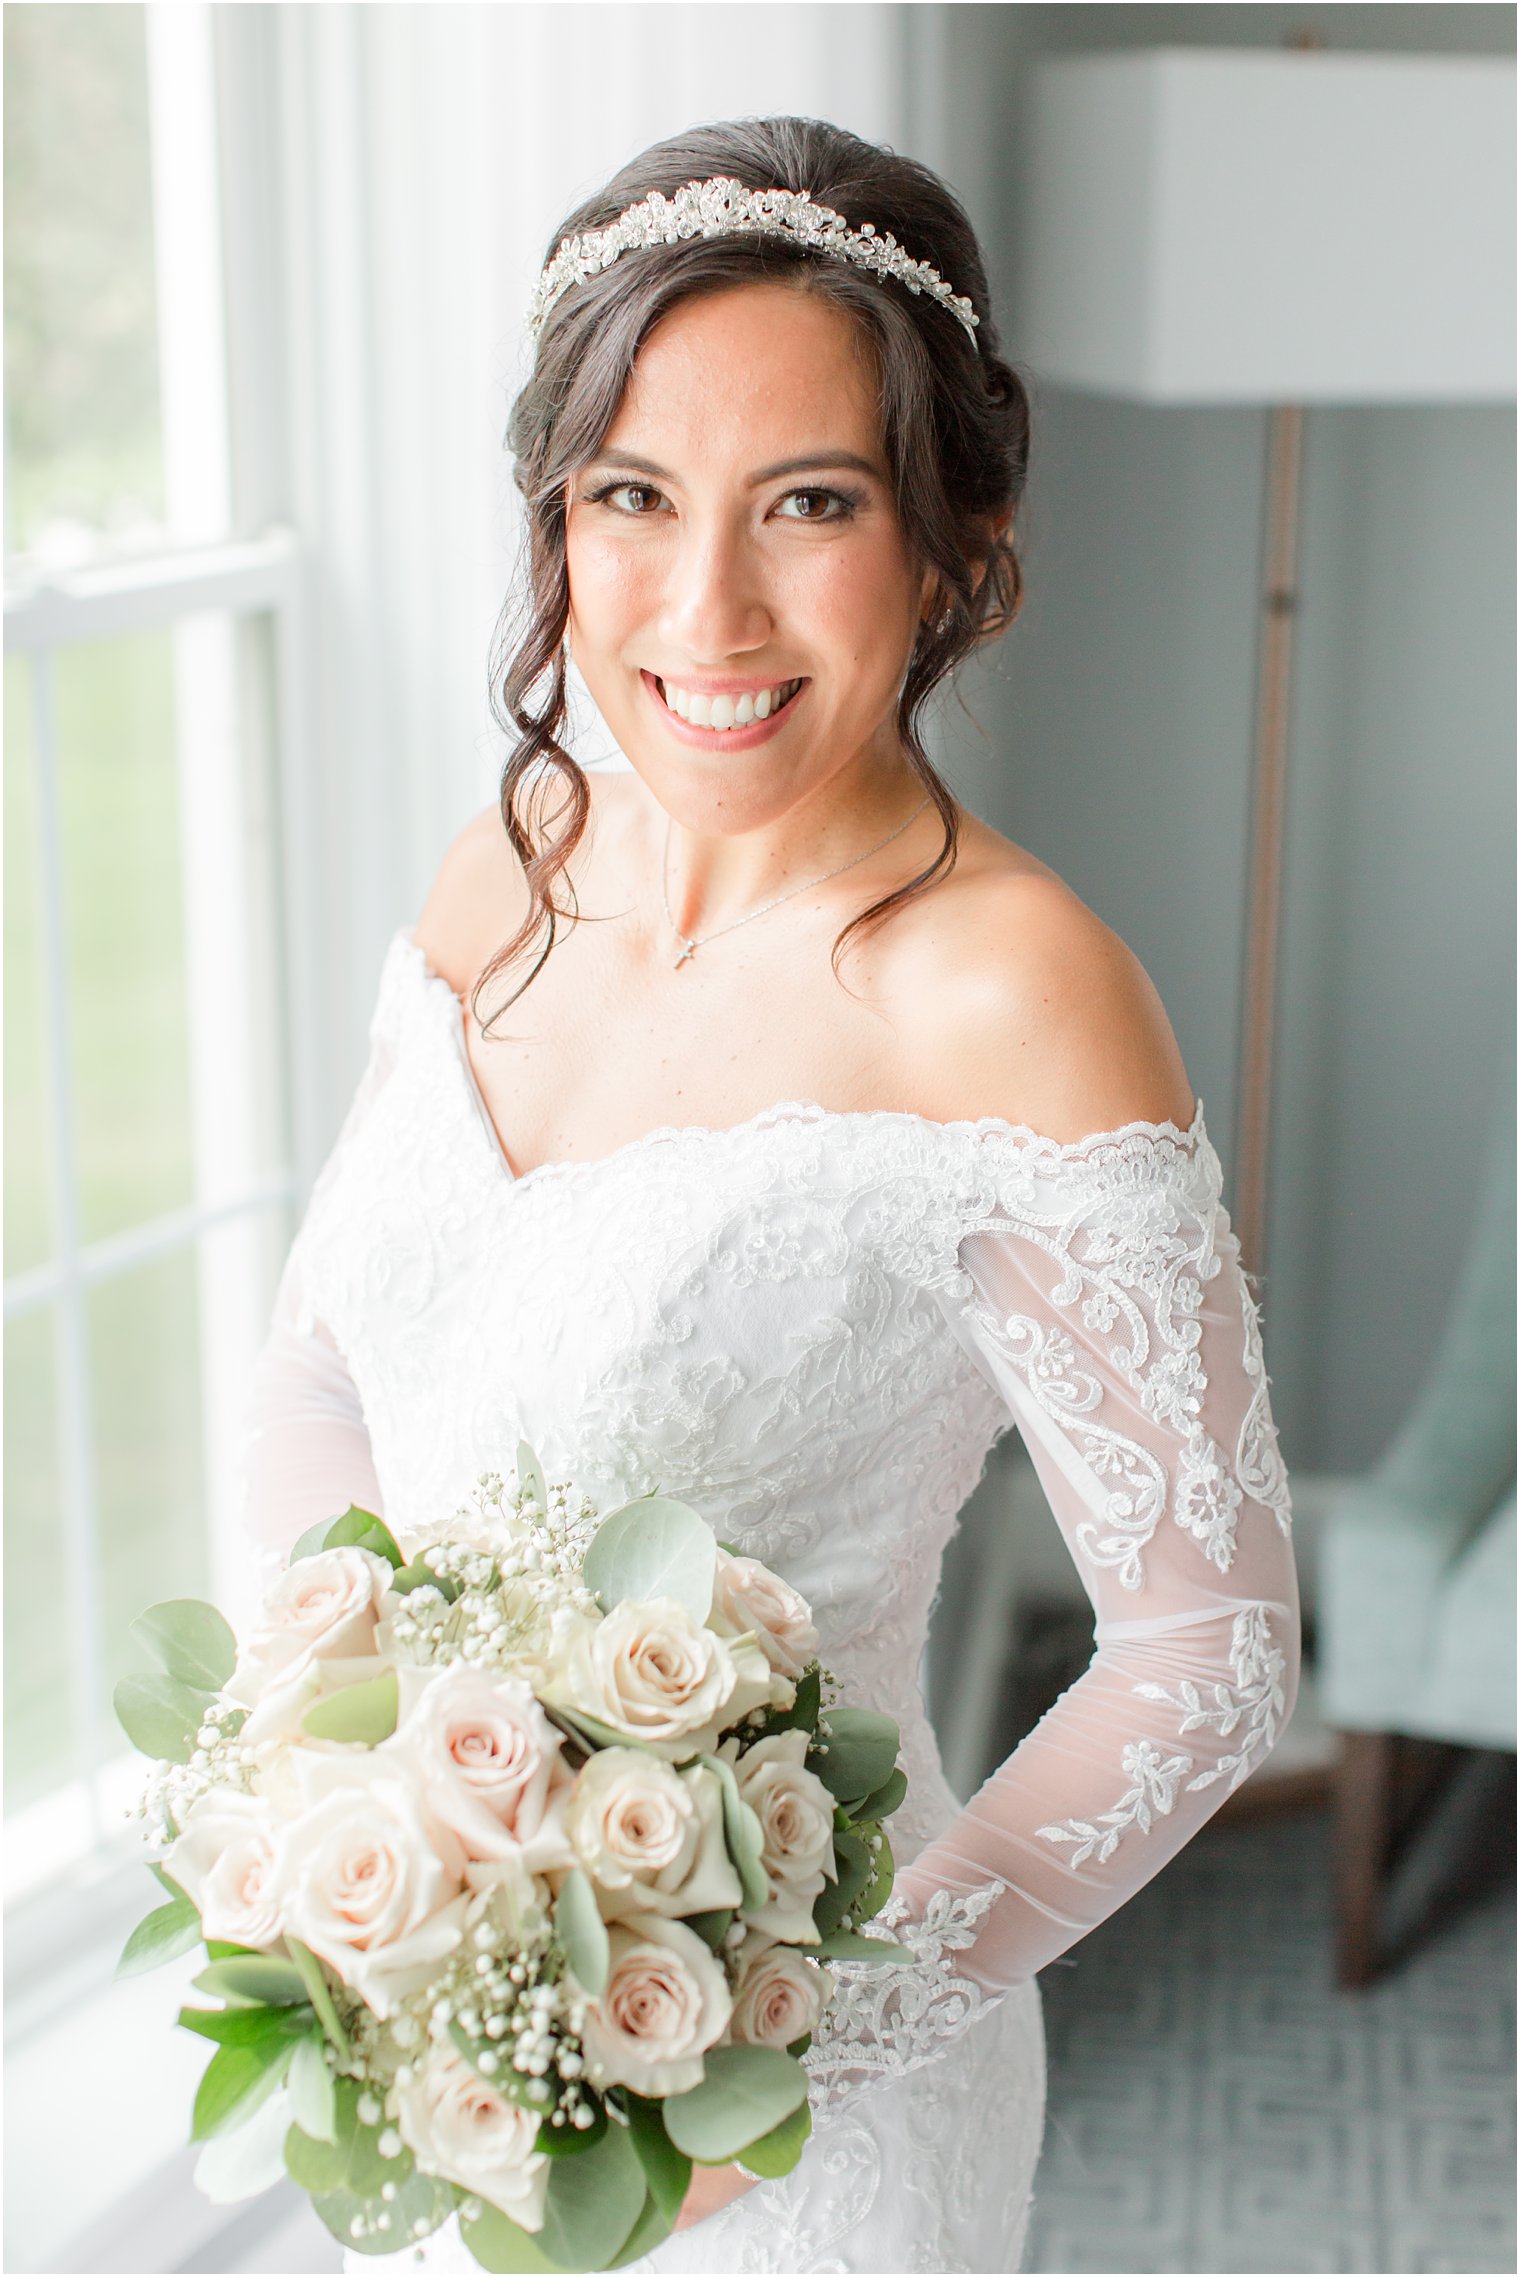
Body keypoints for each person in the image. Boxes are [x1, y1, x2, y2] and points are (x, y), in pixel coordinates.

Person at [242, 115, 1301, 2276]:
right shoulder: (509, 867)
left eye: (805, 504)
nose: (702, 608)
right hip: (446, 2023)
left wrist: (808, 2037)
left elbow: (1204, 1650)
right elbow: (328, 1362)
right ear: (556, 518)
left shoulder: (1017, 996)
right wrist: (330, 1790)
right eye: (631, 498)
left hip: (804, 2140)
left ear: (952, 542)